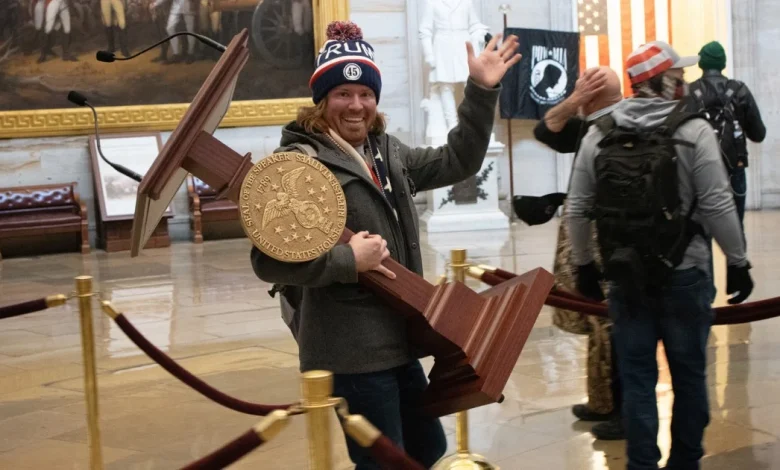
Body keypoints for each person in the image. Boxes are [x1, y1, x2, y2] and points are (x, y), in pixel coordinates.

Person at [250, 20, 521, 469]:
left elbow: (460, 158)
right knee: (384, 462)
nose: (356, 105)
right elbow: (266, 262)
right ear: (322, 100)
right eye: (342, 94)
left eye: (366, 95)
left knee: (426, 449)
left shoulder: (387, 152)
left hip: (399, 335)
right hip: (349, 347)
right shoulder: (299, 165)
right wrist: (346, 260)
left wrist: (479, 90)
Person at [567, 41, 754, 470]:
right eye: (680, 76)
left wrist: (583, 266)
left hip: (624, 276)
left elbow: (576, 208)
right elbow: (718, 205)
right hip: (684, 274)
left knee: (636, 380)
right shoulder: (693, 131)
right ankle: (685, 463)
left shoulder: (600, 131)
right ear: (667, 81)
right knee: (689, 378)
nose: (685, 82)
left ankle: (641, 464)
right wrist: (738, 261)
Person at [519, 66, 626, 441]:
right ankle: (602, 402)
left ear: (593, 96)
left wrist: (577, 100)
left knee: (612, 326)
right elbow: (545, 128)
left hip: (611, 243)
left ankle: (622, 410)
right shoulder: (589, 126)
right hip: (591, 240)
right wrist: (577, 101)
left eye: (584, 89)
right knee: (600, 325)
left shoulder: (619, 127)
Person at [689, 40, 766, 231]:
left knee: (700, 236)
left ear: (701, 64)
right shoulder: (740, 90)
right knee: (735, 232)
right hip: (734, 169)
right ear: (723, 63)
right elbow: (758, 134)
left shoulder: (690, 92)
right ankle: (736, 261)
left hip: (700, 171)